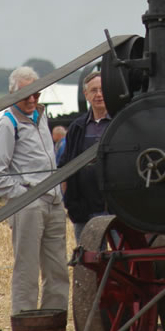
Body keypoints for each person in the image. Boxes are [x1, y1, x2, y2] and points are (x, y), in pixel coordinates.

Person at [0, 65, 69, 316]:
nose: (32, 99)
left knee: (58, 271)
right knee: (27, 271)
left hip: (54, 201)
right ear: (12, 94)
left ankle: (53, 326)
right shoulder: (7, 124)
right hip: (29, 204)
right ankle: (26, 327)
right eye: (26, 94)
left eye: (36, 94)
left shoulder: (41, 117)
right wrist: (25, 195)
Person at [58, 70, 111, 243]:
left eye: (102, 90)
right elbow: (65, 167)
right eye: (94, 90)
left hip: (115, 208)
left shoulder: (119, 123)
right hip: (84, 209)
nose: (99, 95)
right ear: (85, 94)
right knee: (88, 255)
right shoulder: (77, 127)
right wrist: (70, 201)